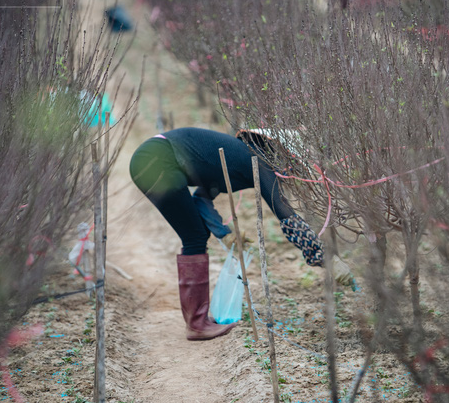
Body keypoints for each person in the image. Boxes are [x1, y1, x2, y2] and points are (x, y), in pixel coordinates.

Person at [129, 127, 353, 341]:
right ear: (281, 153)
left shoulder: (234, 156)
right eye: (290, 163)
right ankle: (197, 325)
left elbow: (201, 198)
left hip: (151, 158)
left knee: (195, 235)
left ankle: (197, 323)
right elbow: (286, 216)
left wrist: (223, 232)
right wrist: (326, 258)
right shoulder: (258, 162)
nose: (289, 170)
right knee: (194, 237)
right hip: (157, 160)